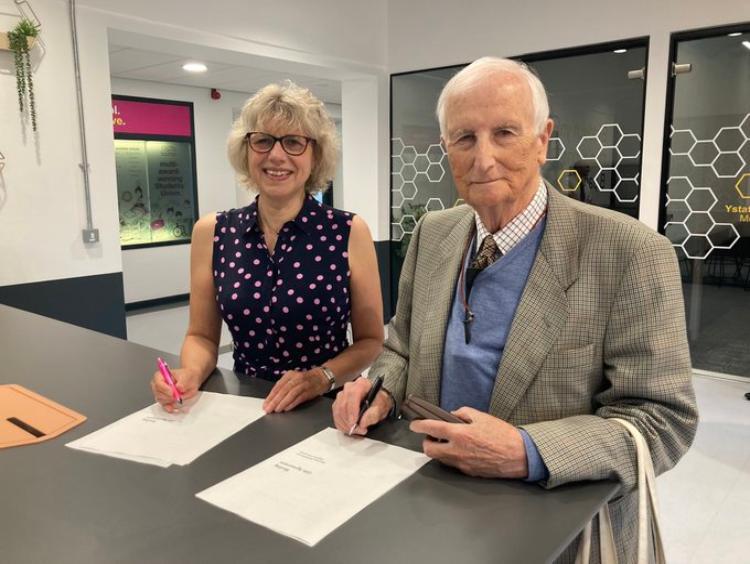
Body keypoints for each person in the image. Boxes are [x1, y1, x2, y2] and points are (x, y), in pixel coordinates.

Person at [332, 57, 697, 563]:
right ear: (446, 149)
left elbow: (663, 421)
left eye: (504, 133)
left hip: (560, 530)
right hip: (431, 509)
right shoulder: (433, 234)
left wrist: (526, 452)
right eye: (464, 138)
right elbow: (401, 344)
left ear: (543, 139)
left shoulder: (628, 252)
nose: (483, 159)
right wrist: (380, 389)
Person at [152, 81, 384, 414]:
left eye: (293, 142)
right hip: (245, 405)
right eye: (262, 140)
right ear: (246, 151)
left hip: (327, 408)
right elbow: (202, 335)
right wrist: (189, 373)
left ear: (316, 154)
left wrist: (321, 377)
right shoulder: (213, 232)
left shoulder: (347, 232)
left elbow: (371, 341)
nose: (276, 155)